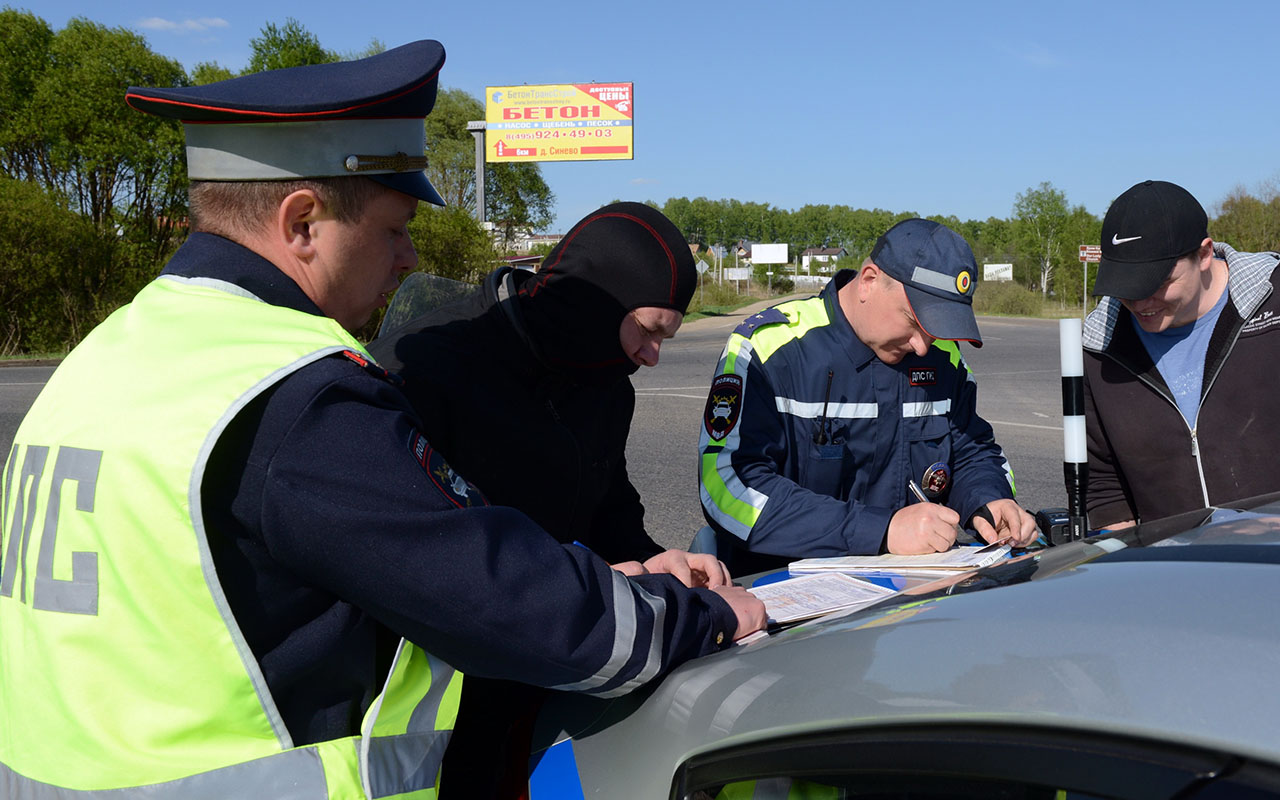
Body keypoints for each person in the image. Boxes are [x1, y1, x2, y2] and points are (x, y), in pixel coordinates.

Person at [0, 41, 764, 798]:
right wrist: (699, 618)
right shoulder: (295, 396)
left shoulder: (114, 349)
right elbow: (489, 592)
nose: (406, 259)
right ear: (303, 222)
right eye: (394, 228)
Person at [369, 201, 729, 796]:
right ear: (592, 303)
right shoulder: (428, 367)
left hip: (550, 674)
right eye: (647, 331)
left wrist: (650, 554)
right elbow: (425, 562)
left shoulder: (604, 382)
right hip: (430, 708)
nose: (651, 357)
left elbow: (607, 494)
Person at [698, 218, 1038, 574]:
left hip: (913, 598)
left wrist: (988, 500)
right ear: (869, 281)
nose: (923, 347)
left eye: (936, 331)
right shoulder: (769, 348)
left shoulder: (945, 359)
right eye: (913, 321)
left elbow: (972, 452)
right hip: (786, 599)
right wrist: (882, 530)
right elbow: (728, 486)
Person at [1084, 180, 1280, 528]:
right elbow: (1105, 488)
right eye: (1126, 287)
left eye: (1156, 283)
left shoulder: (1273, 304)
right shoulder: (1099, 344)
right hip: (1174, 573)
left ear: (1204, 254)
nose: (1140, 303)